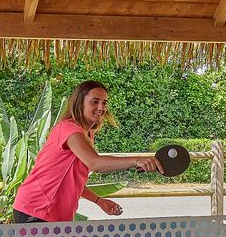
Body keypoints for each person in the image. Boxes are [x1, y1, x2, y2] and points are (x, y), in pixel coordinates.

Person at [11, 80, 160, 223]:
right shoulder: (68, 129)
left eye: (104, 102)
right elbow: (96, 163)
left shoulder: (87, 134)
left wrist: (99, 201)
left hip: (53, 214)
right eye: (95, 101)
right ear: (79, 103)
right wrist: (136, 160)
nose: (101, 108)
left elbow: (72, 182)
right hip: (36, 209)